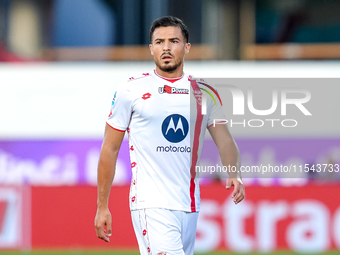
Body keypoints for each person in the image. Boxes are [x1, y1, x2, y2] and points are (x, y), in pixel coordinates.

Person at [94, 16, 245, 255]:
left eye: (173, 41)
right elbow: (109, 148)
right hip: (150, 203)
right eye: (159, 41)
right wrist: (103, 206)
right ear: (151, 48)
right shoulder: (131, 89)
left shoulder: (204, 92)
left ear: (186, 47)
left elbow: (225, 138)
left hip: (189, 205)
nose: (166, 47)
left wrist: (234, 172)